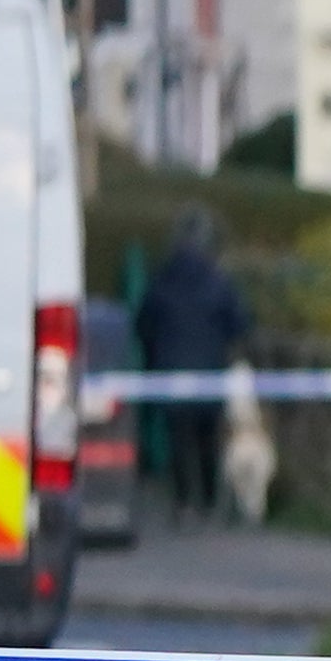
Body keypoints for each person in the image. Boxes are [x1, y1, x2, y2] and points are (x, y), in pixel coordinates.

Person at [131, 206, 244, 518]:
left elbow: (143, 322)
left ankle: (183, 502)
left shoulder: (162, 279)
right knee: (208, 438)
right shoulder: (219, 281)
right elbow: (238, 324)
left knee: (179, 439)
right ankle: (208, 500)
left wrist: (155, 354)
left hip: (171, 371)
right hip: (210, 371)